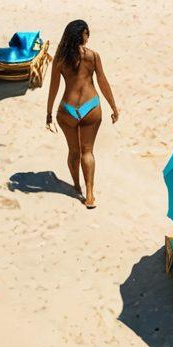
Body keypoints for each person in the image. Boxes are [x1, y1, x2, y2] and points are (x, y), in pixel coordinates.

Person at [45, 20, 119, 208]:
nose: (89, 36)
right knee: (88, 151)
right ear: (81, 35)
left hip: (68, 109)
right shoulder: (93, 56)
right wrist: (113, 107)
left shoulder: (60, 59)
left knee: (73, 150)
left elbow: (54, 87)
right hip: (91, 107)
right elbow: (103, 82)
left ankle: (76, 185)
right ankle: (90, 195)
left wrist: (49, 113)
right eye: (87, 33)